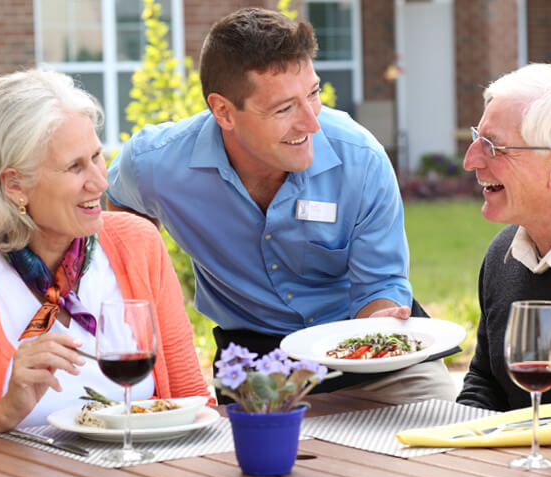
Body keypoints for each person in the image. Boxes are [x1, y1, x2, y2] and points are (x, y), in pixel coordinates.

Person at [107, 7, 456, 402]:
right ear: (223, 111)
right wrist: (145, 296)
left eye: (313, 94)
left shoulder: (360, 159)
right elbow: (116, 214)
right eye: (285, 108)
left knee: (440, 440)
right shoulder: (156, 164)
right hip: (257, 369)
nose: (311, 122)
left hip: (374, 359)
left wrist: (379, 323)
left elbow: (380, 284)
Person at [0, 69, 212, 440]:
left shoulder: (137, 244)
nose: (100, 182)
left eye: (97, 157)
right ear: (15, 185)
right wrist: (4, 411)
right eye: (75, 167)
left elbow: (194, 403)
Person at [456, 63, 551, 433]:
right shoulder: (503, 254)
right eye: (478, 138)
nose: (470, 160)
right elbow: (486, 383)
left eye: (493, 146)